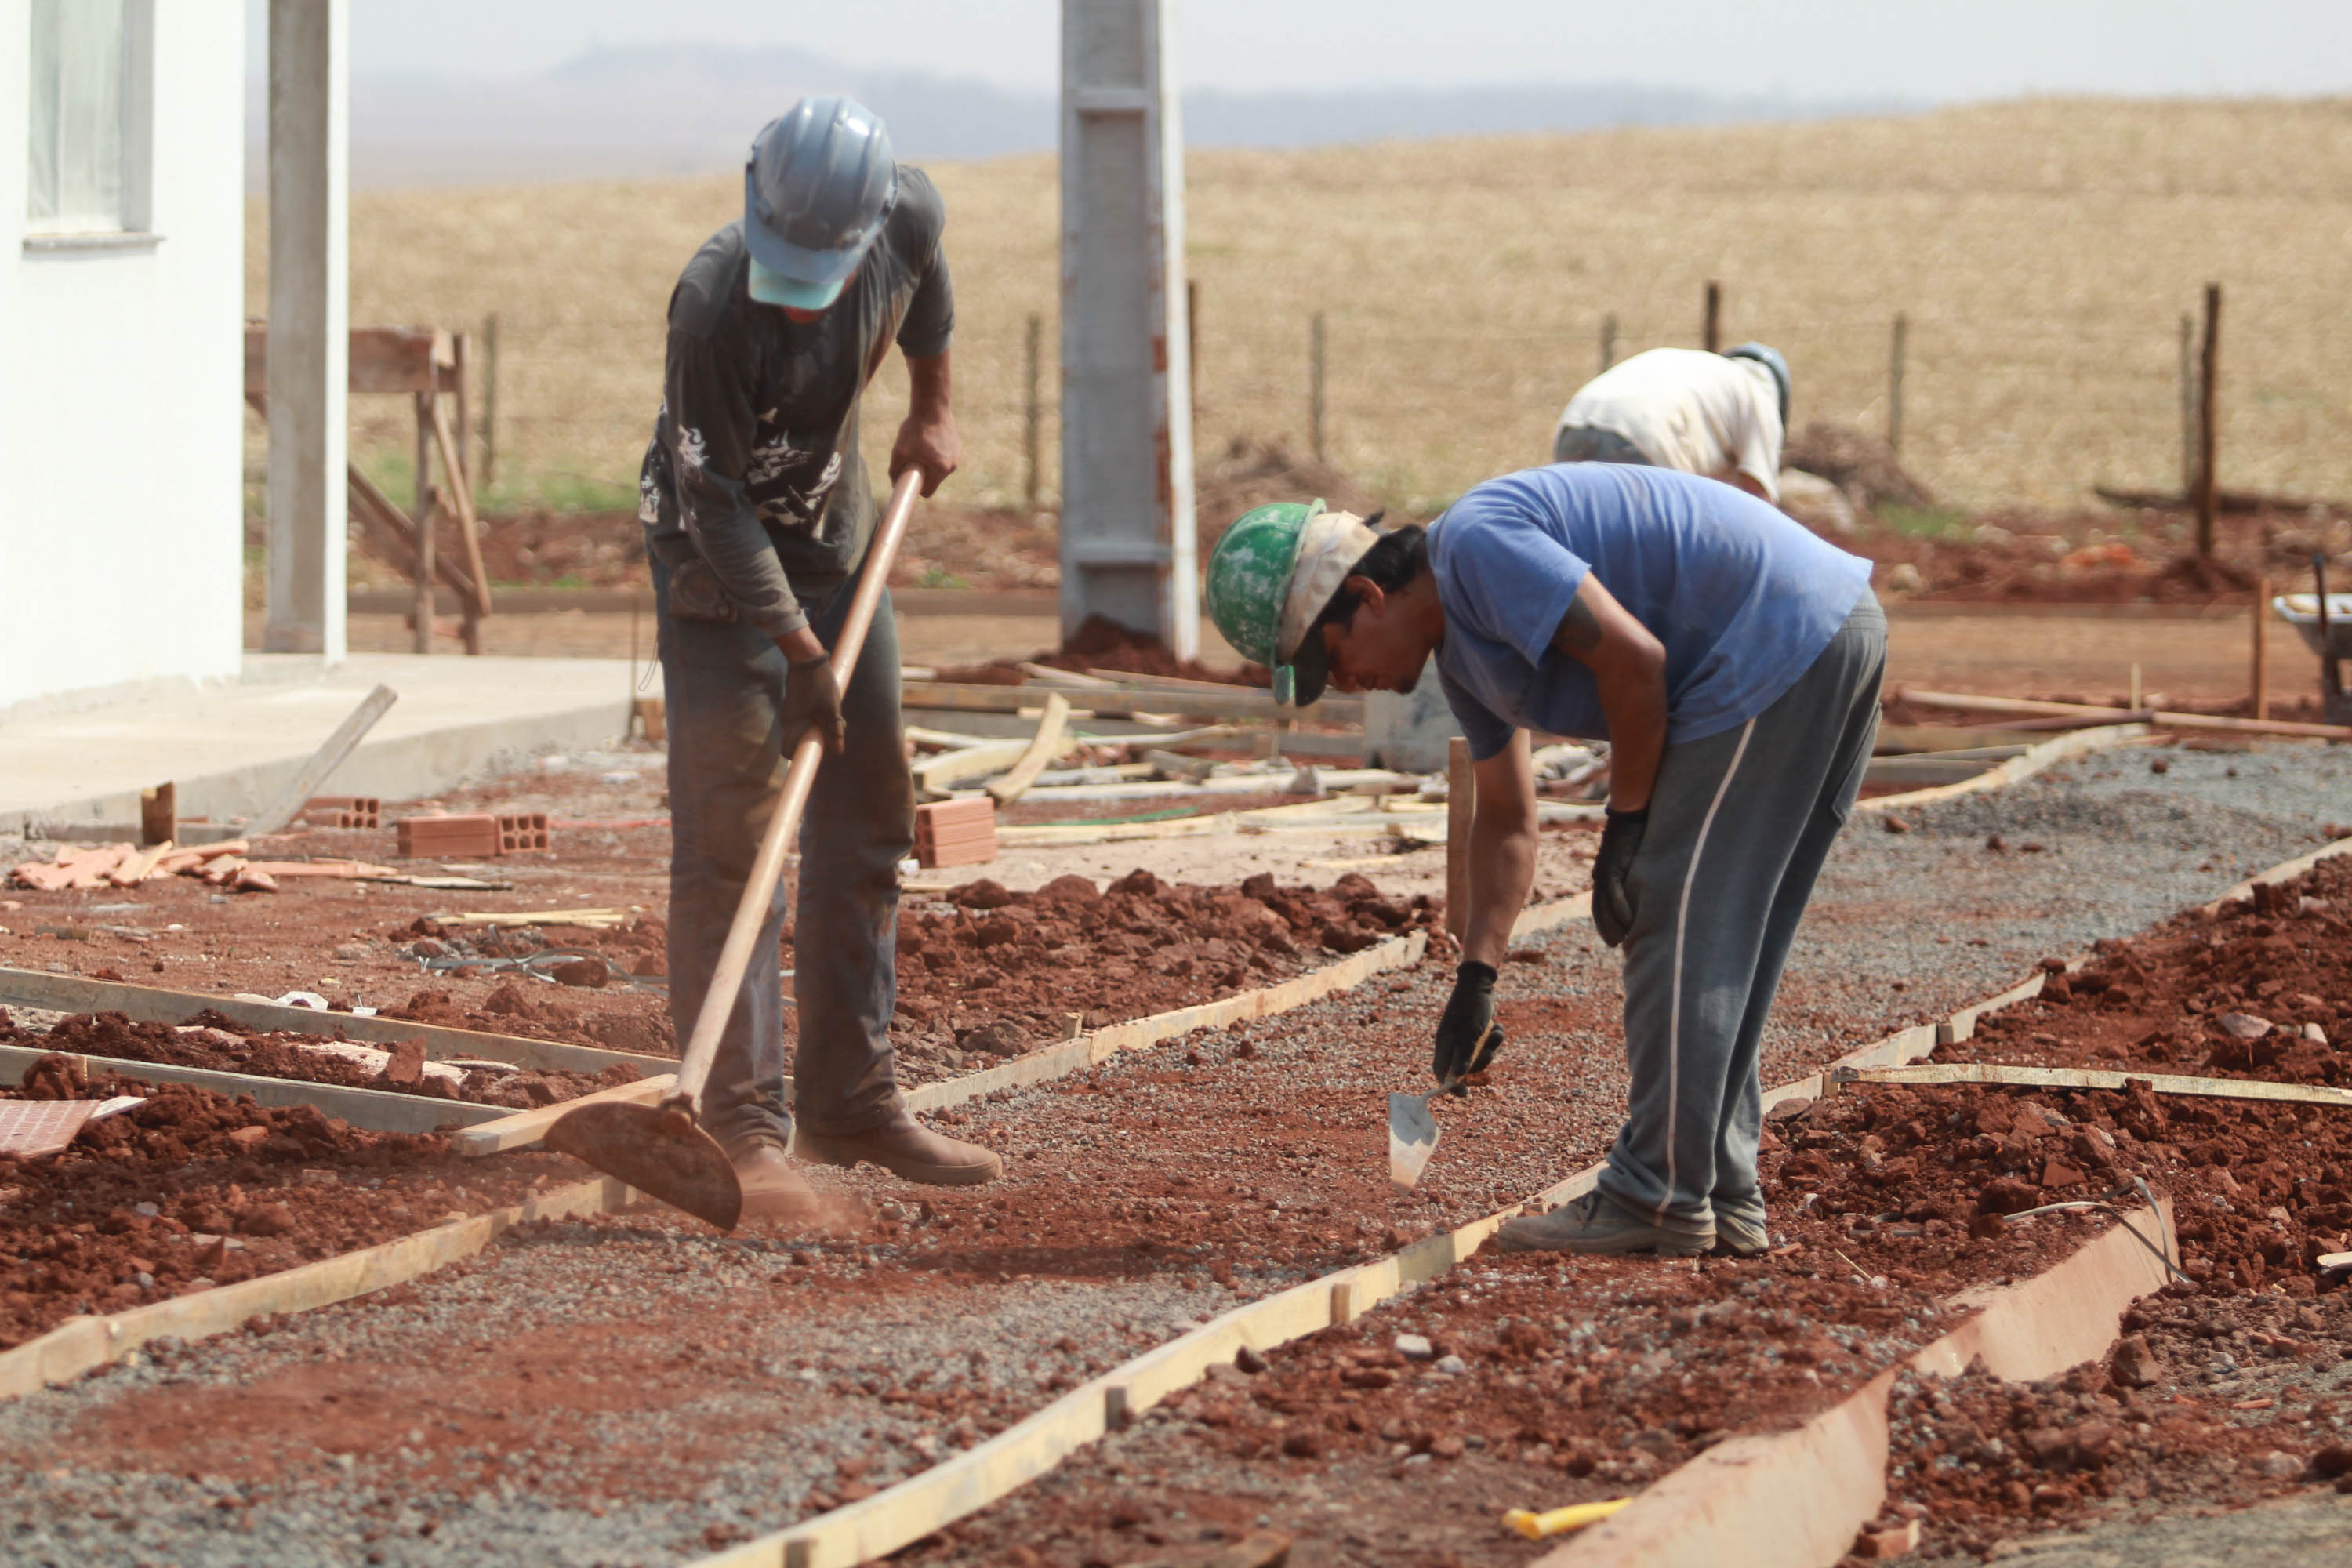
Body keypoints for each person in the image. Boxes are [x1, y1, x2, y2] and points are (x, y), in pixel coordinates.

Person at [1203, 464, 1882, 1256]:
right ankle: (1721, 1191)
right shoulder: (1461, 655)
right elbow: (1507, 818)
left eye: (1334, 660)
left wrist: (1624, 829)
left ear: (1367, 598)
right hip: (1820, 633)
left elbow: (1634, 660)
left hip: (1777, 637)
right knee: (1725, 931)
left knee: (1669, 906)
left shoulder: (1475, 548)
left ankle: (1654, 1194)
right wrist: (1476, 976)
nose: (1351, 686)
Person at [637, 96, 1000, 1221]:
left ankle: (851, 1100)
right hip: (718, 578)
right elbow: (717, 505)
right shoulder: (710, 308)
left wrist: (931, 408)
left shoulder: (906, 216)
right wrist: (797, 647)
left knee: (867, 817)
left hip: (842, 551)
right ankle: (742, 1130)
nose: (799, 294)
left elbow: (929, 286)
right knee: (735, 846)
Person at [1550, 344, 1791, 503]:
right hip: (1646, 434)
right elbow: (1758, 504)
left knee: (1581, 540)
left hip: (1575, 421)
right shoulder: (1760, 399)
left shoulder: (1704, 369)